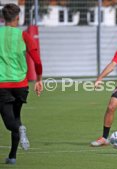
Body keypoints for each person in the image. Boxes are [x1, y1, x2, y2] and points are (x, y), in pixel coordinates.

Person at [0, 3, 43, 164]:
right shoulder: (24, 35)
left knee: (10, 123)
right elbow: (37, 61)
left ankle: (19, 130)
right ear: (18, 18)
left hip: (2, 86)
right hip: (20, 85)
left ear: (3, 18)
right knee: (16, 117)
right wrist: (39, 80)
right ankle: (12, 156)